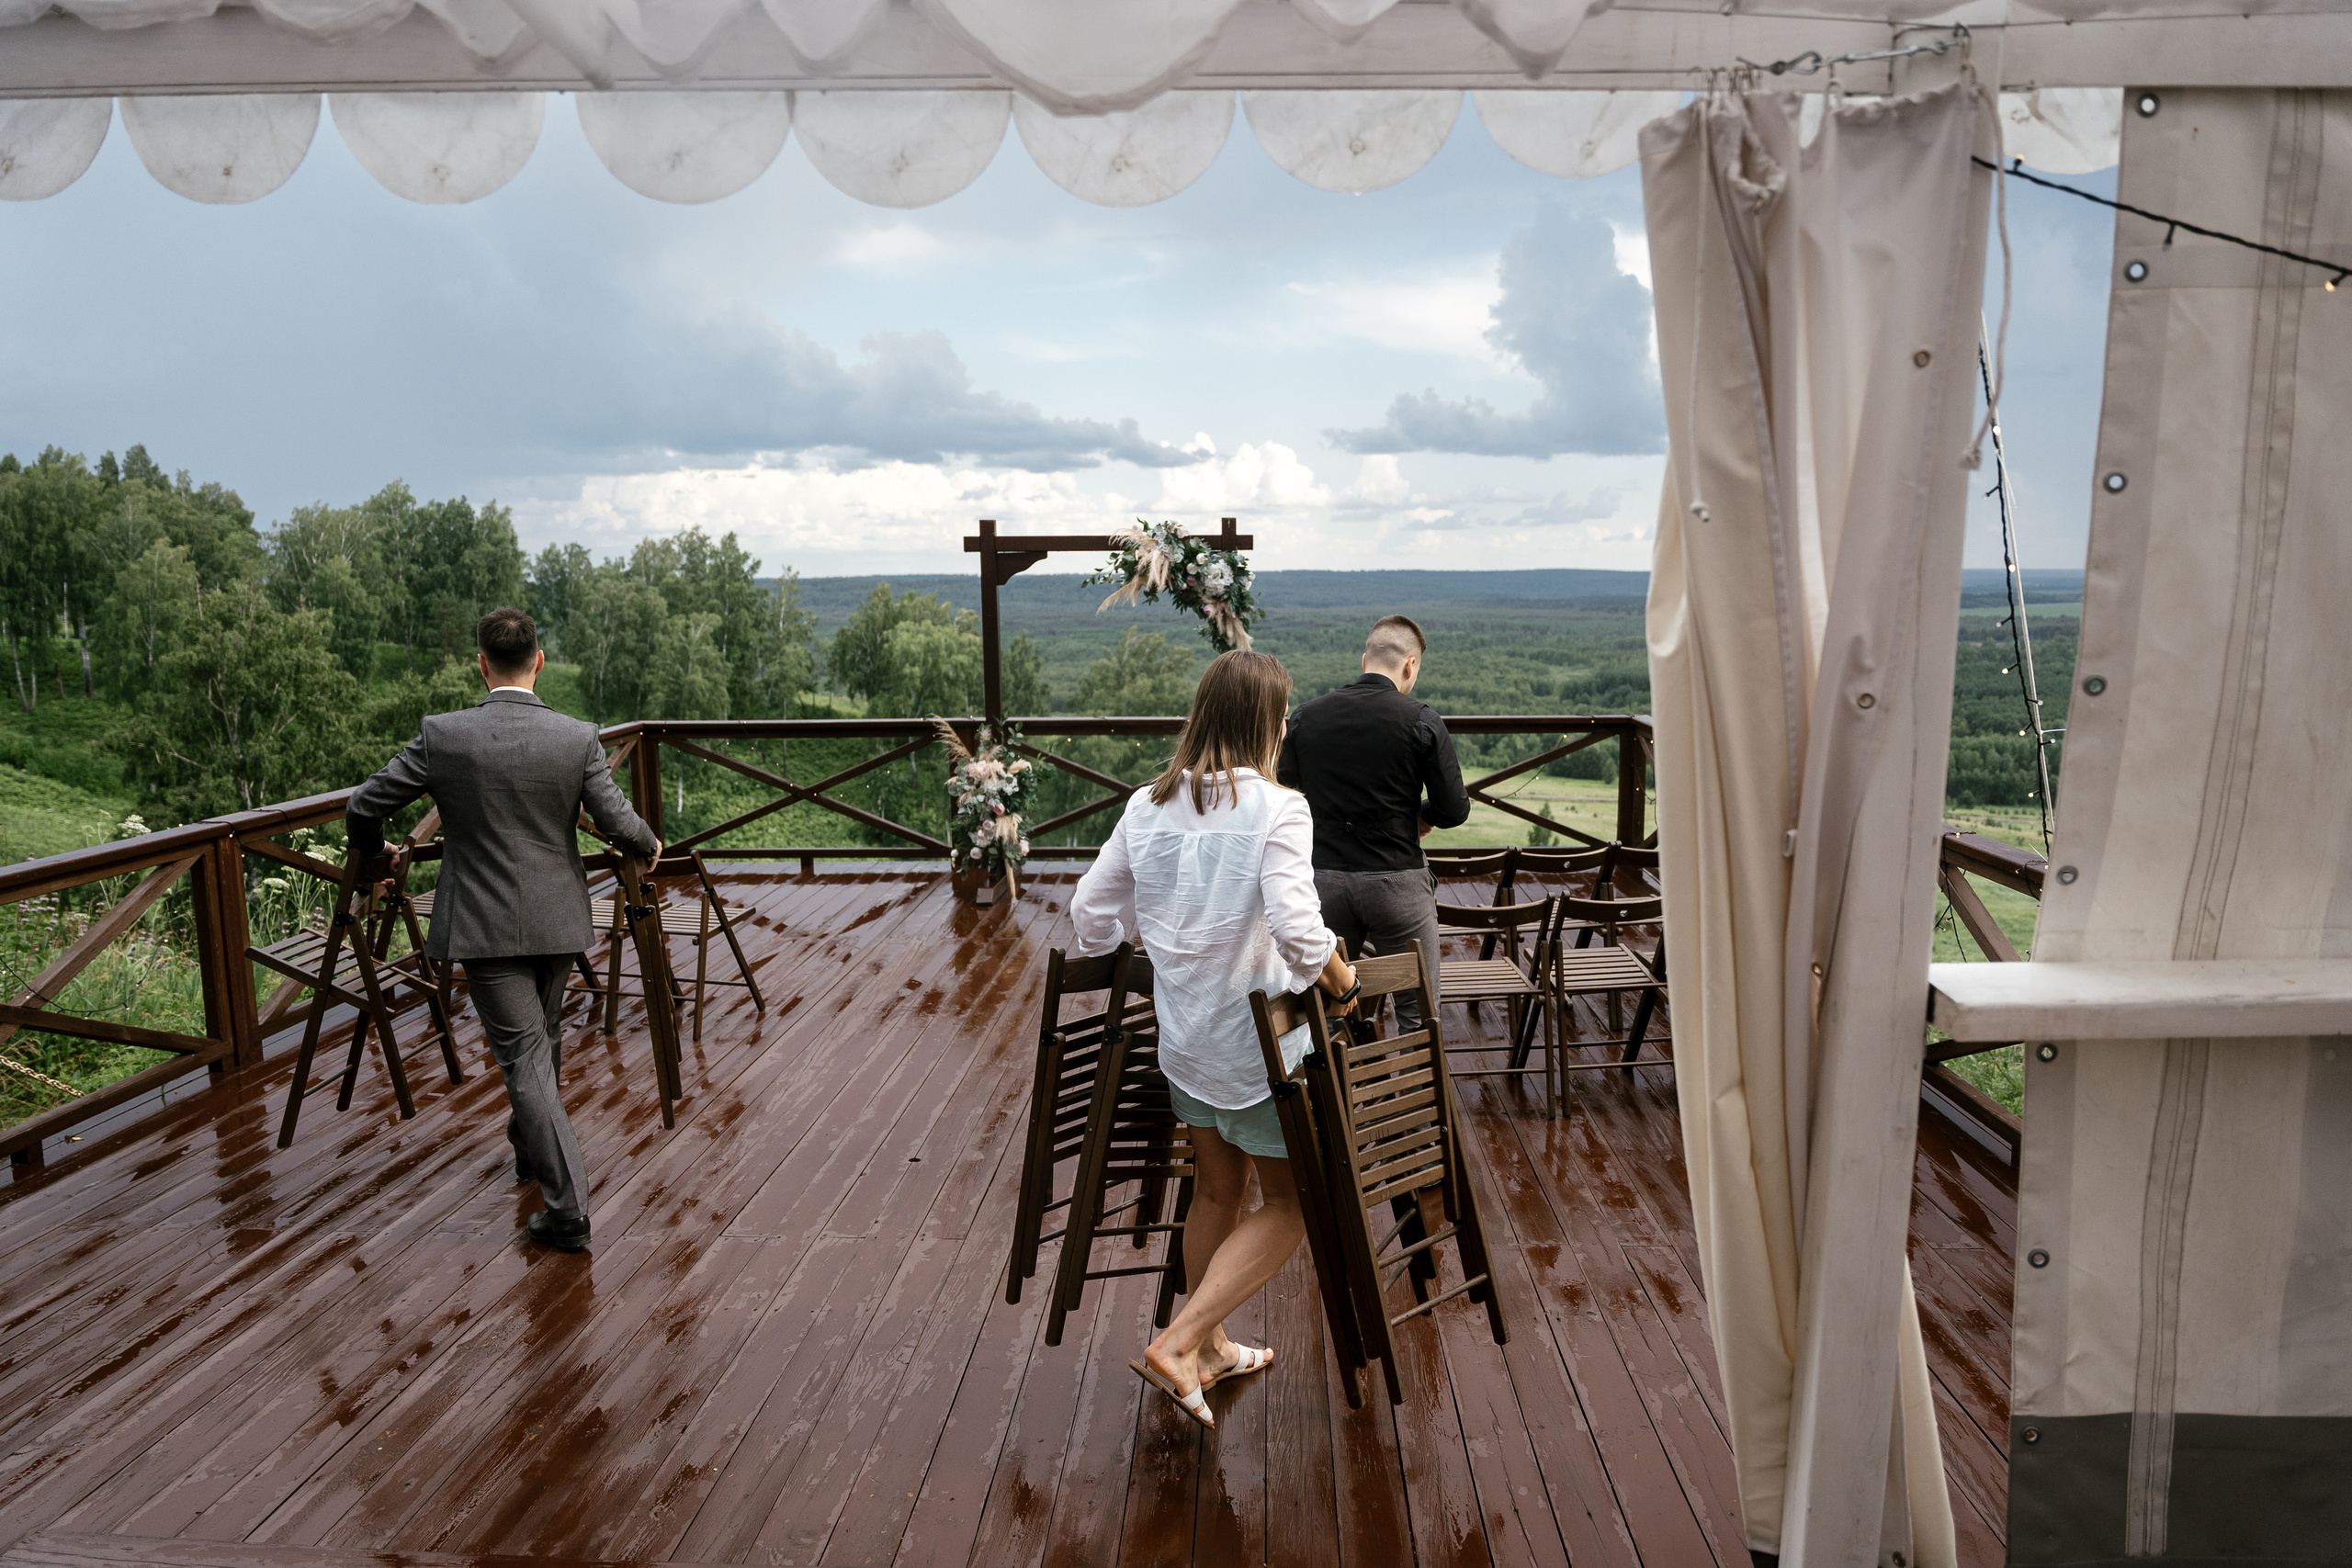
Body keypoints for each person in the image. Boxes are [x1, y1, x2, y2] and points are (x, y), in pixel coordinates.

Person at [1069, 649, 1358, 1429]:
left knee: (1218, 1190)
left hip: (1185, 1038)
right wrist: (1343, 979)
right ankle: (1182, 1339)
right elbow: (1301, 935)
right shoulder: (1277, 807)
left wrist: (1157, 944)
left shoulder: (1144, 804)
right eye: (1284, 713)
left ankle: (1213, 1350)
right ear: (1265, 722)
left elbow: (1089, 915)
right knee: (1298, 1201)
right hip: (1256, 1046)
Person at [345, 606, 660, 1254]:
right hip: (558, 918)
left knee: (526, 1056)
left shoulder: (444, 736)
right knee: (539, 1044)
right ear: (538, 660)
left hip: (484, 923)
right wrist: (648, 842)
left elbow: (363, 805)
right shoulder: (577, 737)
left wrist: (374, 858)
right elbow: (618, 819)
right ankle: (528, 1148)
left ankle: (567, 1210)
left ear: (482, 663)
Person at [1276, 614, 1470, 1033]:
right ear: (1410, 665)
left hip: (1322, 879)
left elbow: (1283, 797)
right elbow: (1454, 809)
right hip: (1396, 881)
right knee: (1420, 1016)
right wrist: (1423, 815)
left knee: (1325, 1008)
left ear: (1366, 658)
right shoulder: (1421, 720)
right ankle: (1418, 1097)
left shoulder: (1306, 718)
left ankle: (1329, 1096)